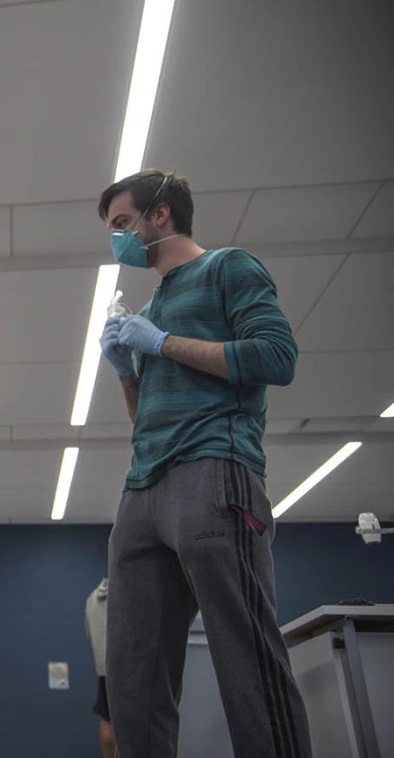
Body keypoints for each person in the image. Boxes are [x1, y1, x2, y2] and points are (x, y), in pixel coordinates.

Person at [96, 169, 311, 758]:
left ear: (158, 215)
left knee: (244, 650)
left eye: (121, 224)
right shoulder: (153, 302)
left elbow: (275, 356)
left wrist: (161, 343)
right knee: (132, 675)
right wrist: (125, 369)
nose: (116, 239)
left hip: (214, 470)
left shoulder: (228, 267)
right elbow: (146, 422)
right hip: (143, 488)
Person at [85, 578, 114, 758]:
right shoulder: (127, 593)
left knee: (107, 718)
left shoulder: (92, 598)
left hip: (103, 667)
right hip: (128, 667)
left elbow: (89, 633)